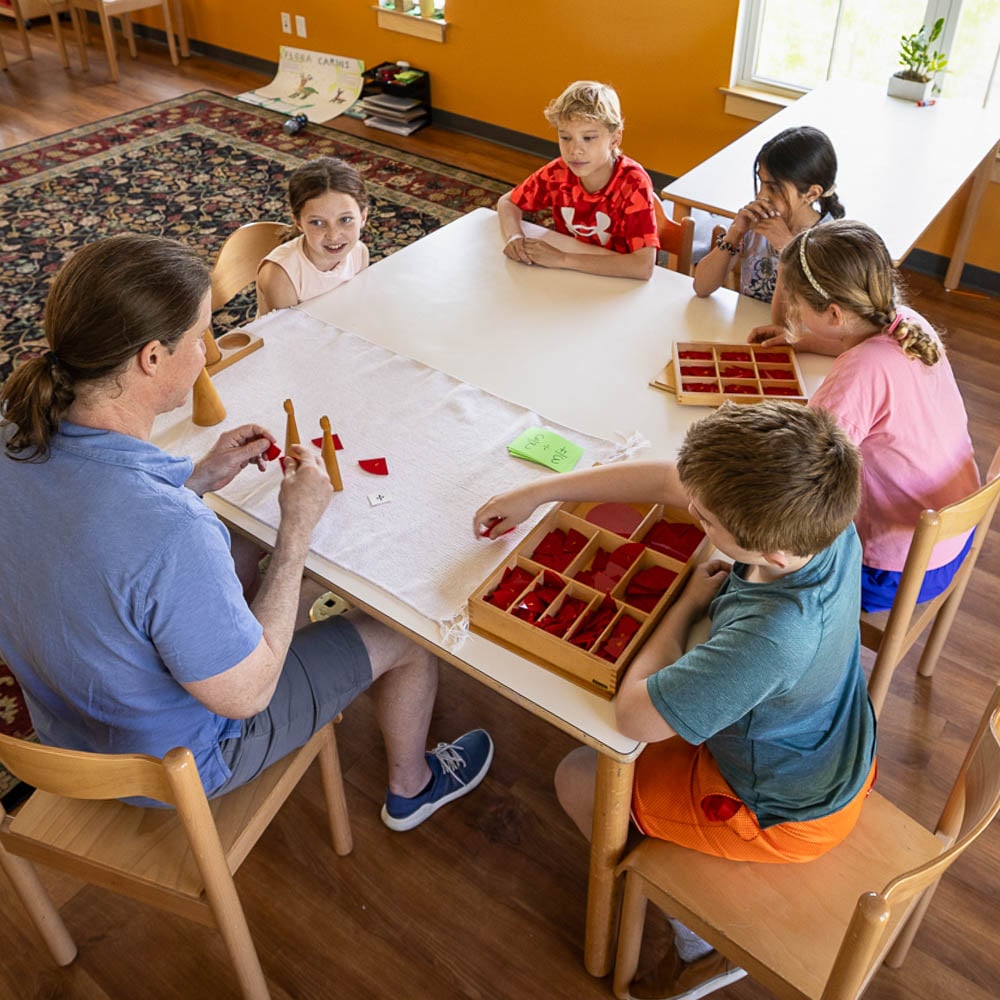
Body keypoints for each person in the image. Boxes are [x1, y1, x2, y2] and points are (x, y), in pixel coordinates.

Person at [0, 233, 492, 831]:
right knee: (408, 630)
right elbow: (249, 694)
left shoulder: (12, 438)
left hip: (64, 726)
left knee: (236, 548)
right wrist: (296, 534)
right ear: (152, 358)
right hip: (179, 762)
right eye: (201, 334)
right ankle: (412, 786)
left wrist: (197, 476)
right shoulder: (170, 530)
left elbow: (92, 532)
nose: (208, 354)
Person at [475, 401, 875, 1000]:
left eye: (706, 521)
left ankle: (701, 945)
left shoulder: (774, 636)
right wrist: (541, 493)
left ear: (771, 556)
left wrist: (687, 603)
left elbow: (633, 714)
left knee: (580, 776)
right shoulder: (822, 524)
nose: (692, 516)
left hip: (782, 811)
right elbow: (673, 482)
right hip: (831, 749)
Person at [749, 219, 980, 613]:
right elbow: (871, 353)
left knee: (753, 555)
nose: (793, 310)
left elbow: (799, 473)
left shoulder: (859, 373)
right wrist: (806, 340)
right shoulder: (909, 323)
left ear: (835, 315)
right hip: (950, 541)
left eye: (798, 304)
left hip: (890, 572)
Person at [496, 80, 659, 280]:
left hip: (616, 286)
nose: (575, 150)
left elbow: (643, 266)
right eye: (565, 138)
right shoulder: (559, 172)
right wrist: (515, 236)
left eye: (588, 138)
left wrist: (563, 259)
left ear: (615, 139)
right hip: (571, 279)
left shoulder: (633, 183)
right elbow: (508, 202)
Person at [693, 125, 844, 324]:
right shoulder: (757, 225)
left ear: (811, 194)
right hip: (746, 332)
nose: (761, 195)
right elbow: (702, 287)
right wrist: (734, 234)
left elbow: (819, 320)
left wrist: (788, 249)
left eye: (773, 188)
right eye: (761, 183)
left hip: (796, 345)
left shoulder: (830, 243)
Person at [257, 157, 370, 315]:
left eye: (345, 220)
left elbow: (356, 307)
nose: (333, 235)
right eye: (317, 222)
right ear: (298, 222)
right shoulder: (281, 275)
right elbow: (288, 335)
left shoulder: (359, 253)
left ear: (363, 217)